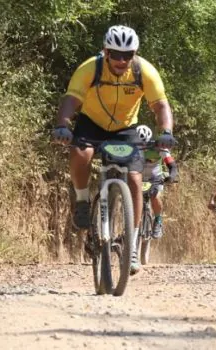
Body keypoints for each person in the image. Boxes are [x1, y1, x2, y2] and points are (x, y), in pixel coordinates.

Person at [51, 25, 176, 274]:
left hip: (125, 127)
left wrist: (166, 133)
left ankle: (131, 246)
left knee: (134, 178)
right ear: (105, 51)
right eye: (115, 54)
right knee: (80, 151)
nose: (121, 60)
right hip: (91, 123)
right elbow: (71, 100)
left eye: (127, 55)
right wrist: (63, 126)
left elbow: (161, 105)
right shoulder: (90, 68)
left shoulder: (144, 71)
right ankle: (84, 200)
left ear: (134, 54)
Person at [136, 124, 178, 239]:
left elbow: (172, 166)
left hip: (155, 178)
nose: (142, 146)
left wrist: (171, 176)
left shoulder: (160, 148)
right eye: (138, 143)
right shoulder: (132, 148)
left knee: (155, 197)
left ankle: (158, 221)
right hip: (137, 177)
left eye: (144, 144)